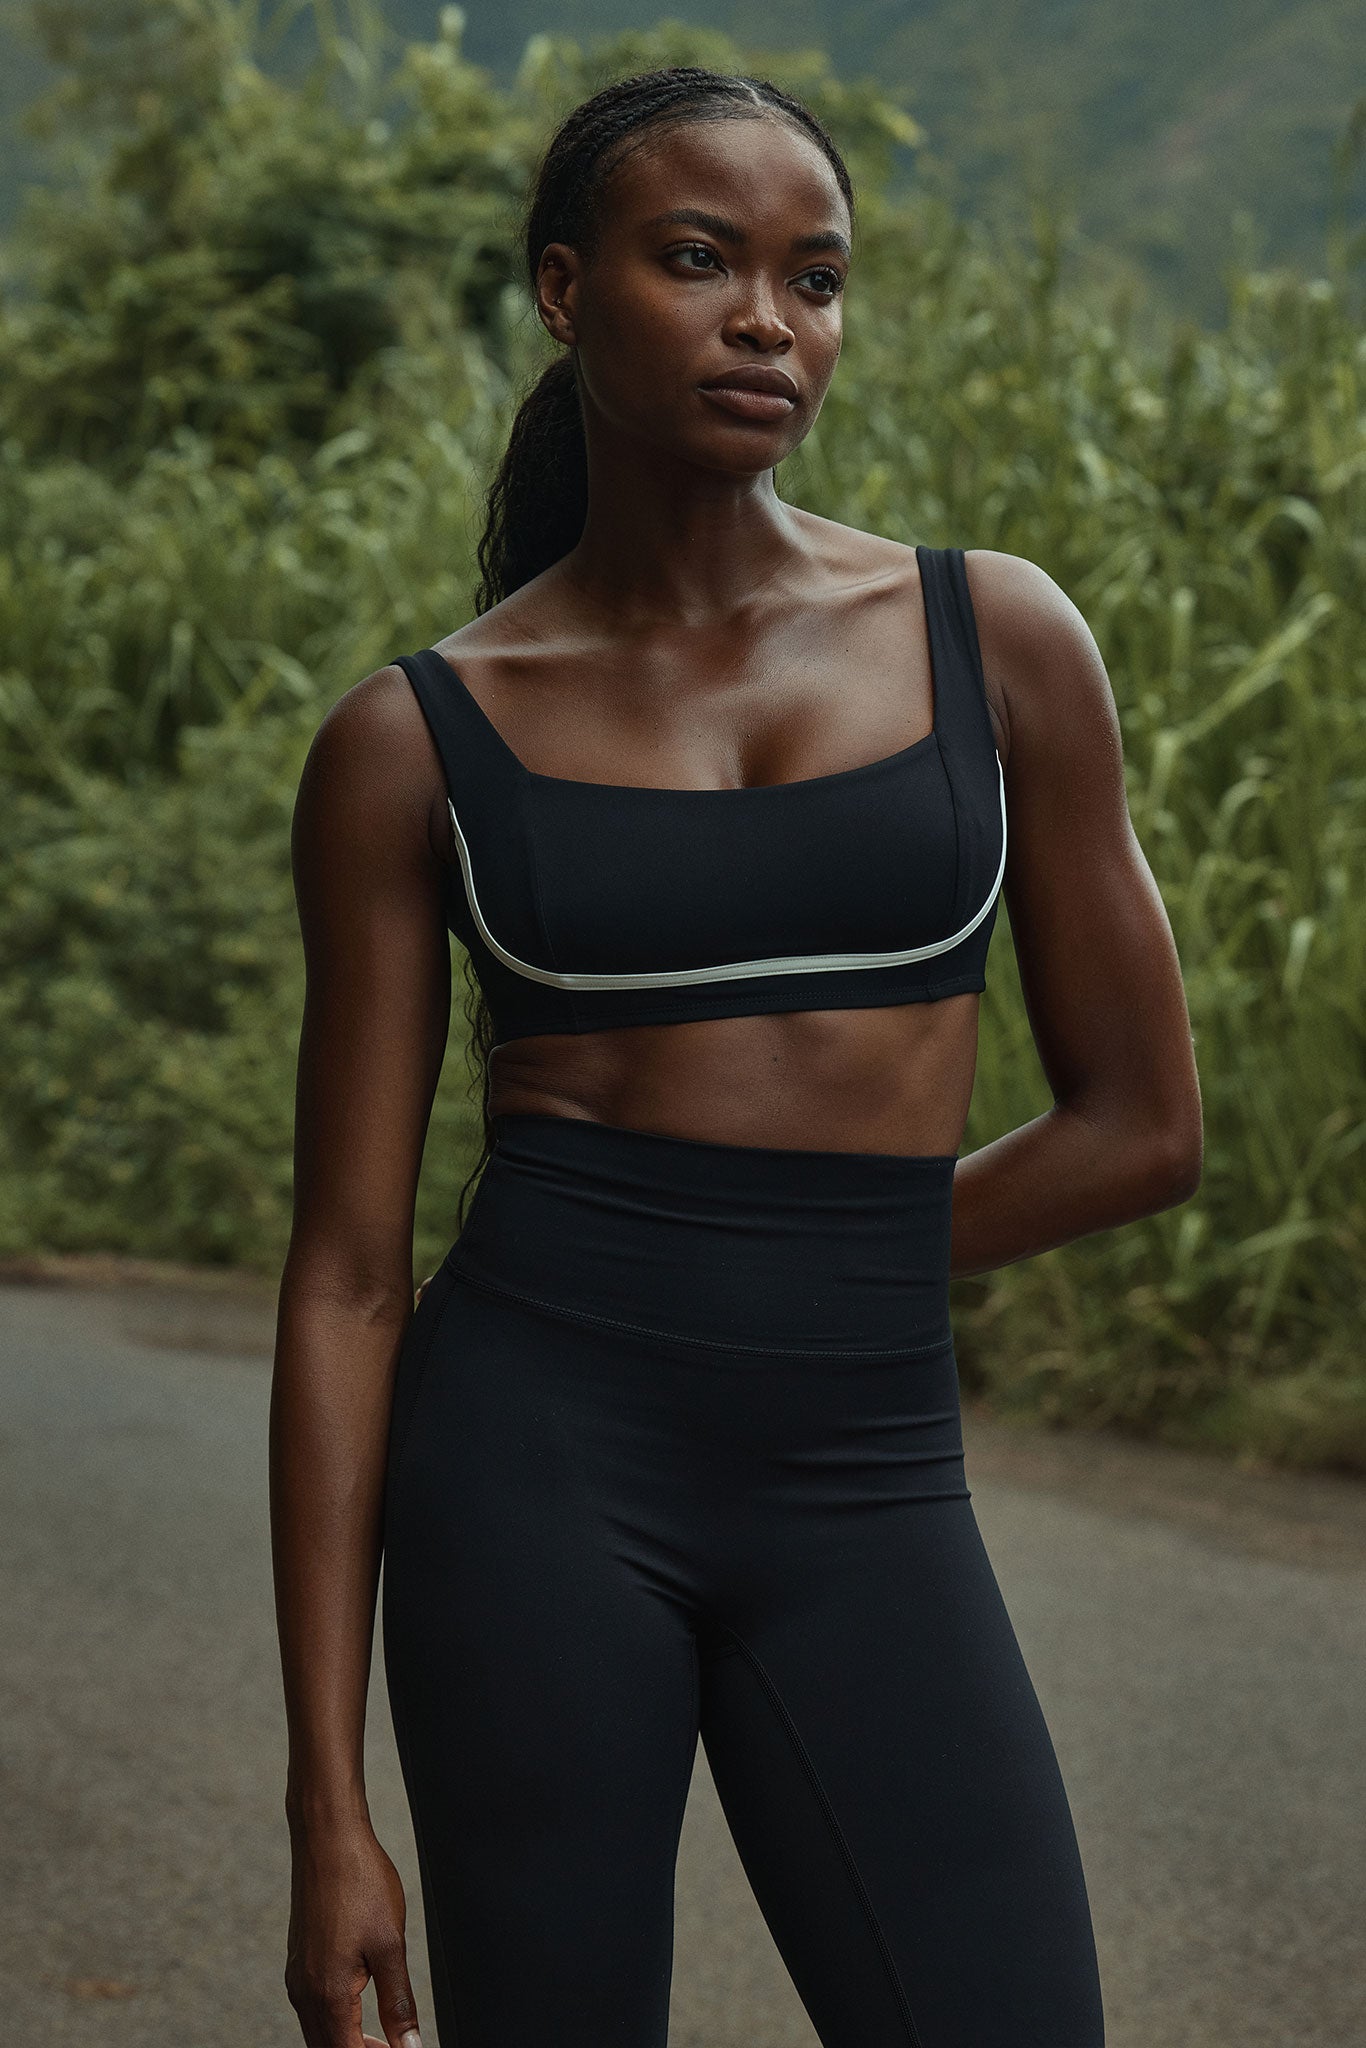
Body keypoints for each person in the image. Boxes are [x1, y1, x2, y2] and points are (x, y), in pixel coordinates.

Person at [270, 62, 1202, 2048]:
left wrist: (807, 1267)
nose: (768, 320)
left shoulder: (992, 641)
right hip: (527, 1471)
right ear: (559, 286)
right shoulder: (410, 744)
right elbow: (349, 1273)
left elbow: (1140, 1123)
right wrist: (326, 1804)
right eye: (699, 261)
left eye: (815, 276)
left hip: (864, 1474)